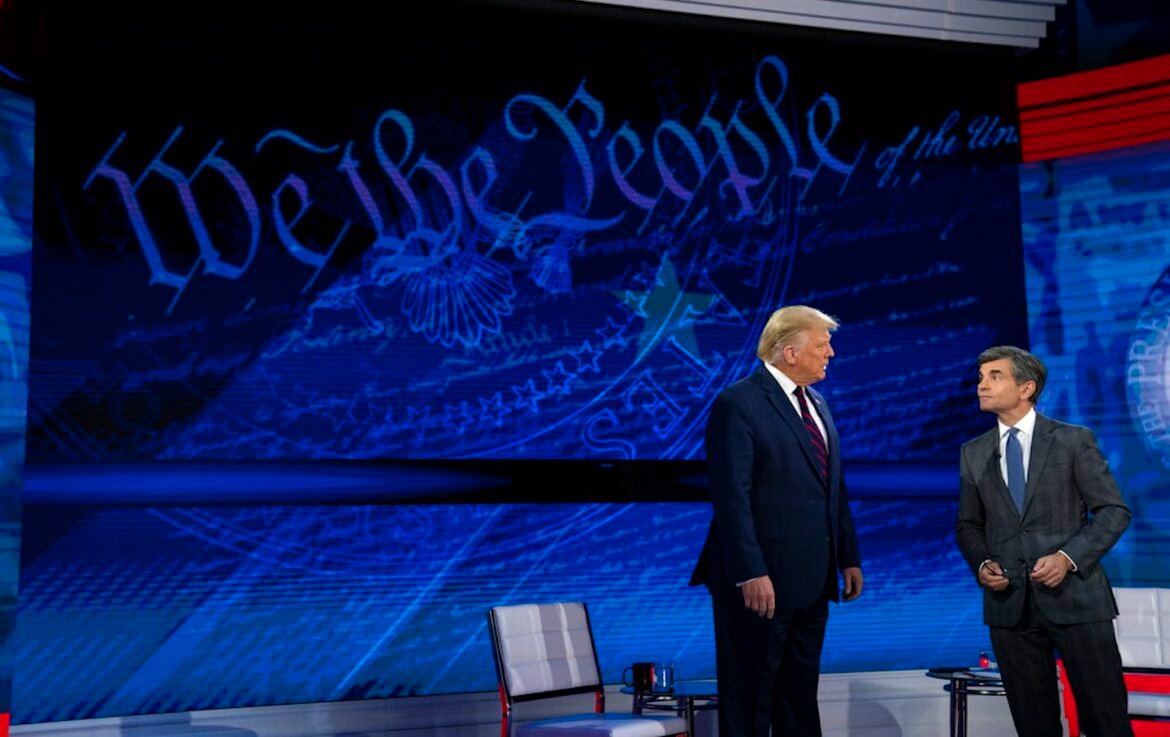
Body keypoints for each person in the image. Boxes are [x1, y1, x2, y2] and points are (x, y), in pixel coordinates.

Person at [690, 305, 863, 737]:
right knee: (750, 698)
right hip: (759, 582)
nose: (830, 353)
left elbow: (831, 486)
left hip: (813, 579)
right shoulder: (739, 403)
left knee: (798, 697)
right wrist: (751, 571)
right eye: (822, 345)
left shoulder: (817, 403)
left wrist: (848, 556)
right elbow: (732, 497)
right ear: (790, 352)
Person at [956, 345, 1133, 737]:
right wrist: (983, 563)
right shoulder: (973, 452)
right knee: (1033, 725)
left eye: (995, 376)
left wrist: (1067, 557)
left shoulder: (1073, 440)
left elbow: (1113, 511)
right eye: (981, 377)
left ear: (1027, 388)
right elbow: (968, 525)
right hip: (1009, 608)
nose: (982, 385)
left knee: (1105, 719)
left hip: (1077, 601)